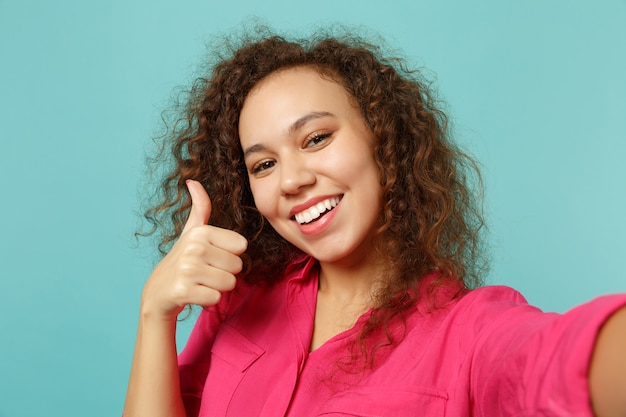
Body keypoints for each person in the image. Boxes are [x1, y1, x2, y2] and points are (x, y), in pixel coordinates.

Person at [123, 27, 626, 417]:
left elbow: (560, 361)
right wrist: (155, 315)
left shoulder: (469, 334)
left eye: (316, 138)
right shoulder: (238, 301)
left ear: (383, 142)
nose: (291, 180)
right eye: (263, 164)